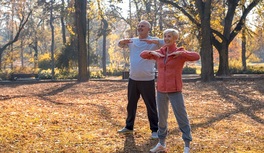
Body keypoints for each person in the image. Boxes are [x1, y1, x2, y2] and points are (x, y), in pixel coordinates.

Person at [140, 29, 200, 153]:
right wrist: (153, 53)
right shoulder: (160, 52)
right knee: (161, 118)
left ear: (175, 39)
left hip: (175, 90)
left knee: (181, 117)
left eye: (169, 36)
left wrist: (182, 55)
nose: (167, 38)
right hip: (161, 90)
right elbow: (143, 54)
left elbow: (196, 56)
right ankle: (161, 144)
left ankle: (187, 145)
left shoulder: (180, 53)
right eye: (165, 36)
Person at [117, 20, 164, 139]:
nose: (140, 27)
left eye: (142, 26)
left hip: (147, 79)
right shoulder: (133, 41)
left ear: (148, 28)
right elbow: (120, 44)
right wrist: (121, 41)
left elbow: (167, 43)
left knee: (151, 106)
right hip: (133, 78)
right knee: (131, 104)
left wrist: (155, 41)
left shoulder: (154, 41)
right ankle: (129, 127)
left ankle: (155, 130)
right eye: (138, 26)